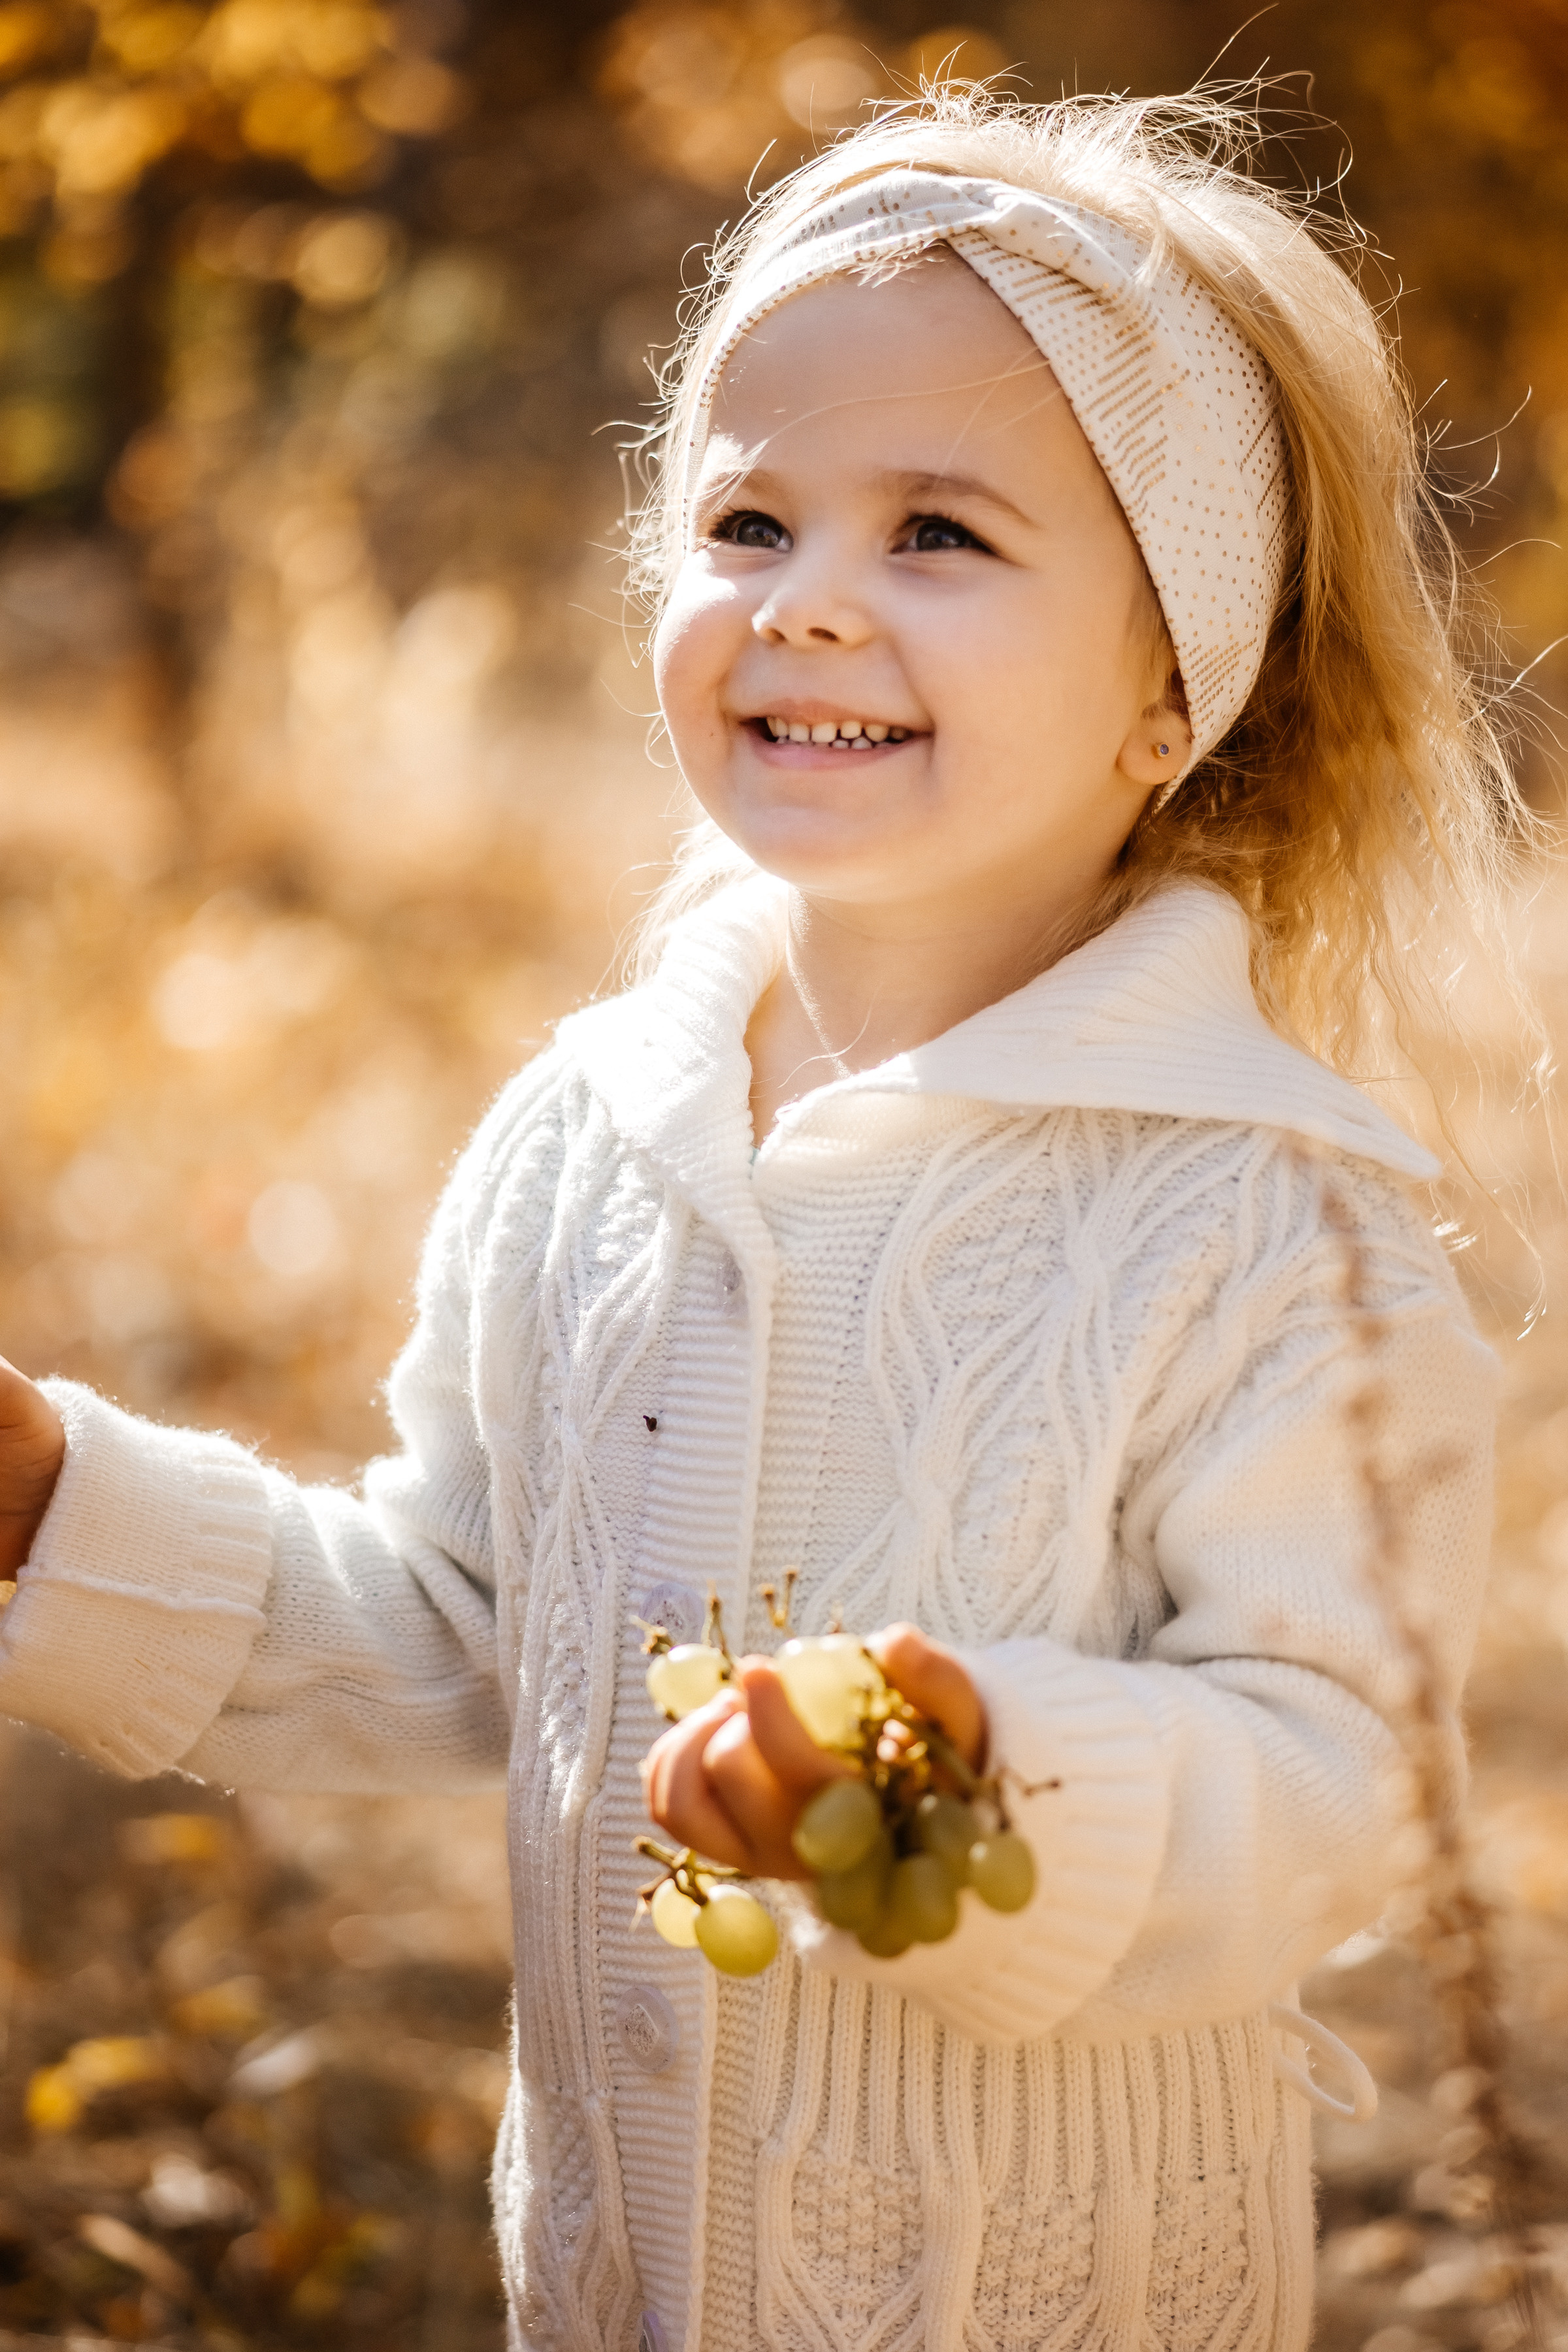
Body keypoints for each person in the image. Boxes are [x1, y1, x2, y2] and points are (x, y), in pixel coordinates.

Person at [0, 87, 1512, 2352]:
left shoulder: (1269, 1222)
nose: (806, 600)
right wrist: (57, 1510)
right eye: (746, 518)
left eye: (940, 535)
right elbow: (467, 1635)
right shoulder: (592, 1134)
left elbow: (1342, 1778)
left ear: (1173, 689)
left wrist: (963, 1775)